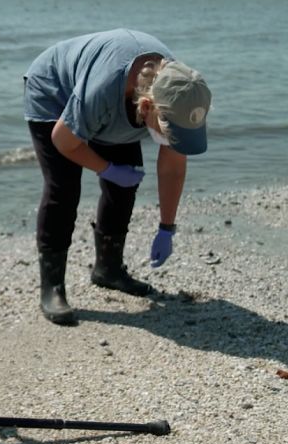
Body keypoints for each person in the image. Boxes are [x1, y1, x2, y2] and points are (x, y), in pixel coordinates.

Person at [23, 29, 211, 326]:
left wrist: (167, 227)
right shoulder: (104, 91)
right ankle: (52, 287)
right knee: (64, 188)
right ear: (147, 109)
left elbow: (173, 165)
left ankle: (108, 270)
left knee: (127, 182)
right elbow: (64, 141)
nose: (173, 141)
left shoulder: (183, 93)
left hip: (119, 99)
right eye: (169, 133)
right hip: (54, 90)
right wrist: (105, 168)